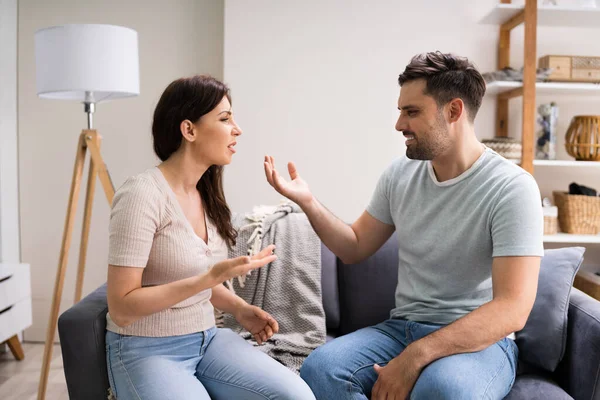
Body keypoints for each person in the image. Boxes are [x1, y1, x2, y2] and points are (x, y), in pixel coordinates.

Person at [264, 51, 543, 400]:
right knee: (321, 369)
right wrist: (307, 200)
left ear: (453, 111)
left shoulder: (511, 188)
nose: (399, 124)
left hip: (480, 343)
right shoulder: (400, 174)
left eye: (411, 112)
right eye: (400, 111)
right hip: (401, 330)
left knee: (442, 389)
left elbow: (512, 308)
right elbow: (354, 247)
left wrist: (418, 355)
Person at [105, 75, 316, 400]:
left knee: (297, 396)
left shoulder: (206, 194)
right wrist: (209, 279)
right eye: (225, 118)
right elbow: (121, 307)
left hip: (207, 339)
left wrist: (240, 309)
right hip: (146, 348)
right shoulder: (142, 194)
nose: (237, 129)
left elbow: (201, 279)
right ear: (188, 129)